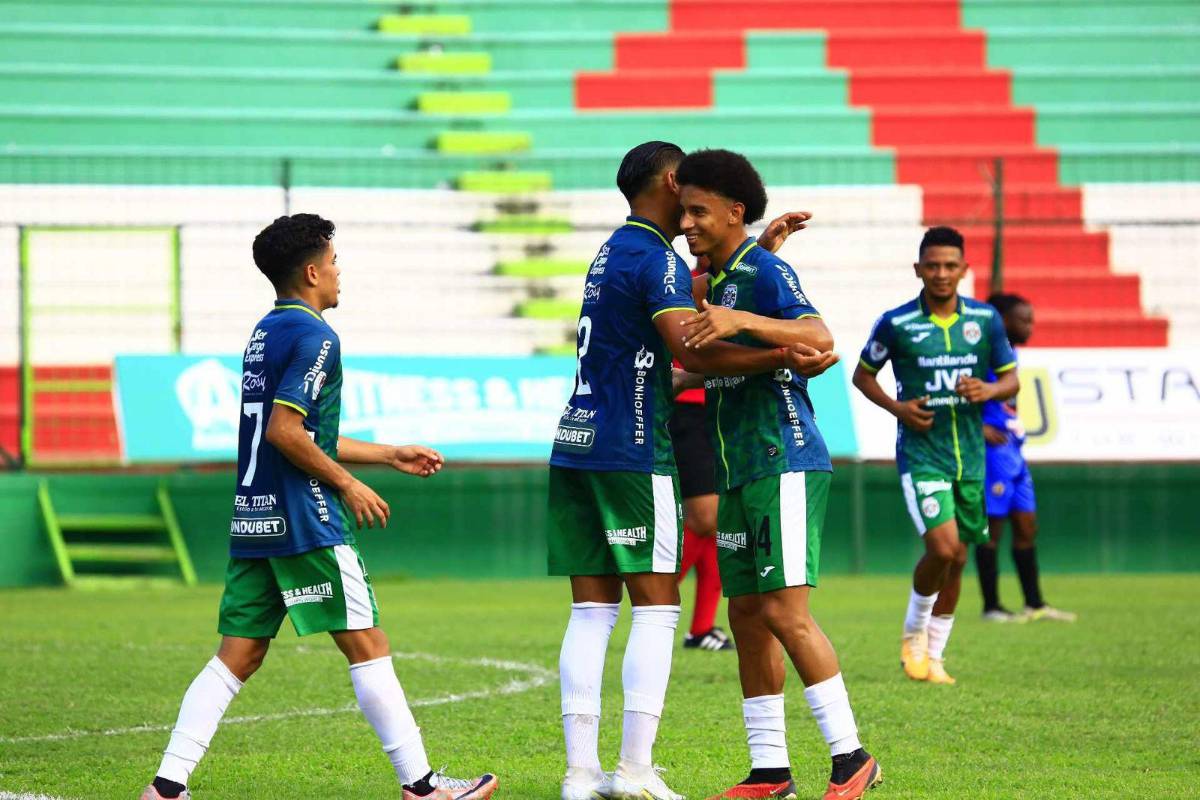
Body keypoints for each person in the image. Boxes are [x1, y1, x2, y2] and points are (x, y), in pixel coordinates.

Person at [141, 214, 496, 800]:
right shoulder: (317, 337)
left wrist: (387, 454)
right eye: (333, 262)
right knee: (367, 645)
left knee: (237, 656)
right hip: (306, 519)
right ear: (311, 272)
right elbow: (284, 431)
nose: (338, 271)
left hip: (256, 518)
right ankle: (422, 787)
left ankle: (166, 788)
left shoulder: (267, 331)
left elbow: (302, 432)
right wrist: (349, 485)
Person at [548, 141, 837, 800]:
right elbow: (695, 350)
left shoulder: (612, 252)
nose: (692, 211)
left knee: (590, 611)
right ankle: (634, 772)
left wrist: (752, 254)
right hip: (631, 448)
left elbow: (688, 297)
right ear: (675, 182)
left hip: (576, 440)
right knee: (656, 609)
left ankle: (580, 775)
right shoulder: (659, 257)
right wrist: (781, 356)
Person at [668, 149, 880, 800]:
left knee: (786, 614)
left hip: (782, 458)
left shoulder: (764, 272)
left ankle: (852, 758)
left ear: (734, 212)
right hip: (738, 467)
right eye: (683, 211)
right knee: (747, 616)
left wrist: (743, 317)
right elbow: (717, 348)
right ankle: (769, 771)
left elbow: (819, 336)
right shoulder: (727, 276)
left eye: (698, 211)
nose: (686, 223)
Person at [852, 226, 1019, 686]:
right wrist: (899, 408)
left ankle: (936, 656)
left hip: (971, 457)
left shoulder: (985, 320)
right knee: (942, 548)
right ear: (918, 269)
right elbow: (863, 376)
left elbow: (1011, 379)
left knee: (959, 558)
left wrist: (988, 390)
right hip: (922, 453)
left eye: (950, 266)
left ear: (964, 269)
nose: (941, 274)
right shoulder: (897, 323)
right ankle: (913, 635)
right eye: (932, 266)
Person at [975, 293, 1076, 623]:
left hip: (1014, 449)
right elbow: (955, 391)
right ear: (1003, 321)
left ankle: (1035, 603)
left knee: (1027, 525)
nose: (1030, 326)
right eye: (1024, 320)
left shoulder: (1009, 354)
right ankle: (992, 606)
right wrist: (978, 427)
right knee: (992, 530)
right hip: (992, 453)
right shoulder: (982, 353)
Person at [672, 272, 732, 653]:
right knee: (705, 518)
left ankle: (702, 628)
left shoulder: (740, 280)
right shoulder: (688, 282)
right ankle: (658, 595)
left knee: (715, 524)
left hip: (720, 406)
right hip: (687, 408)